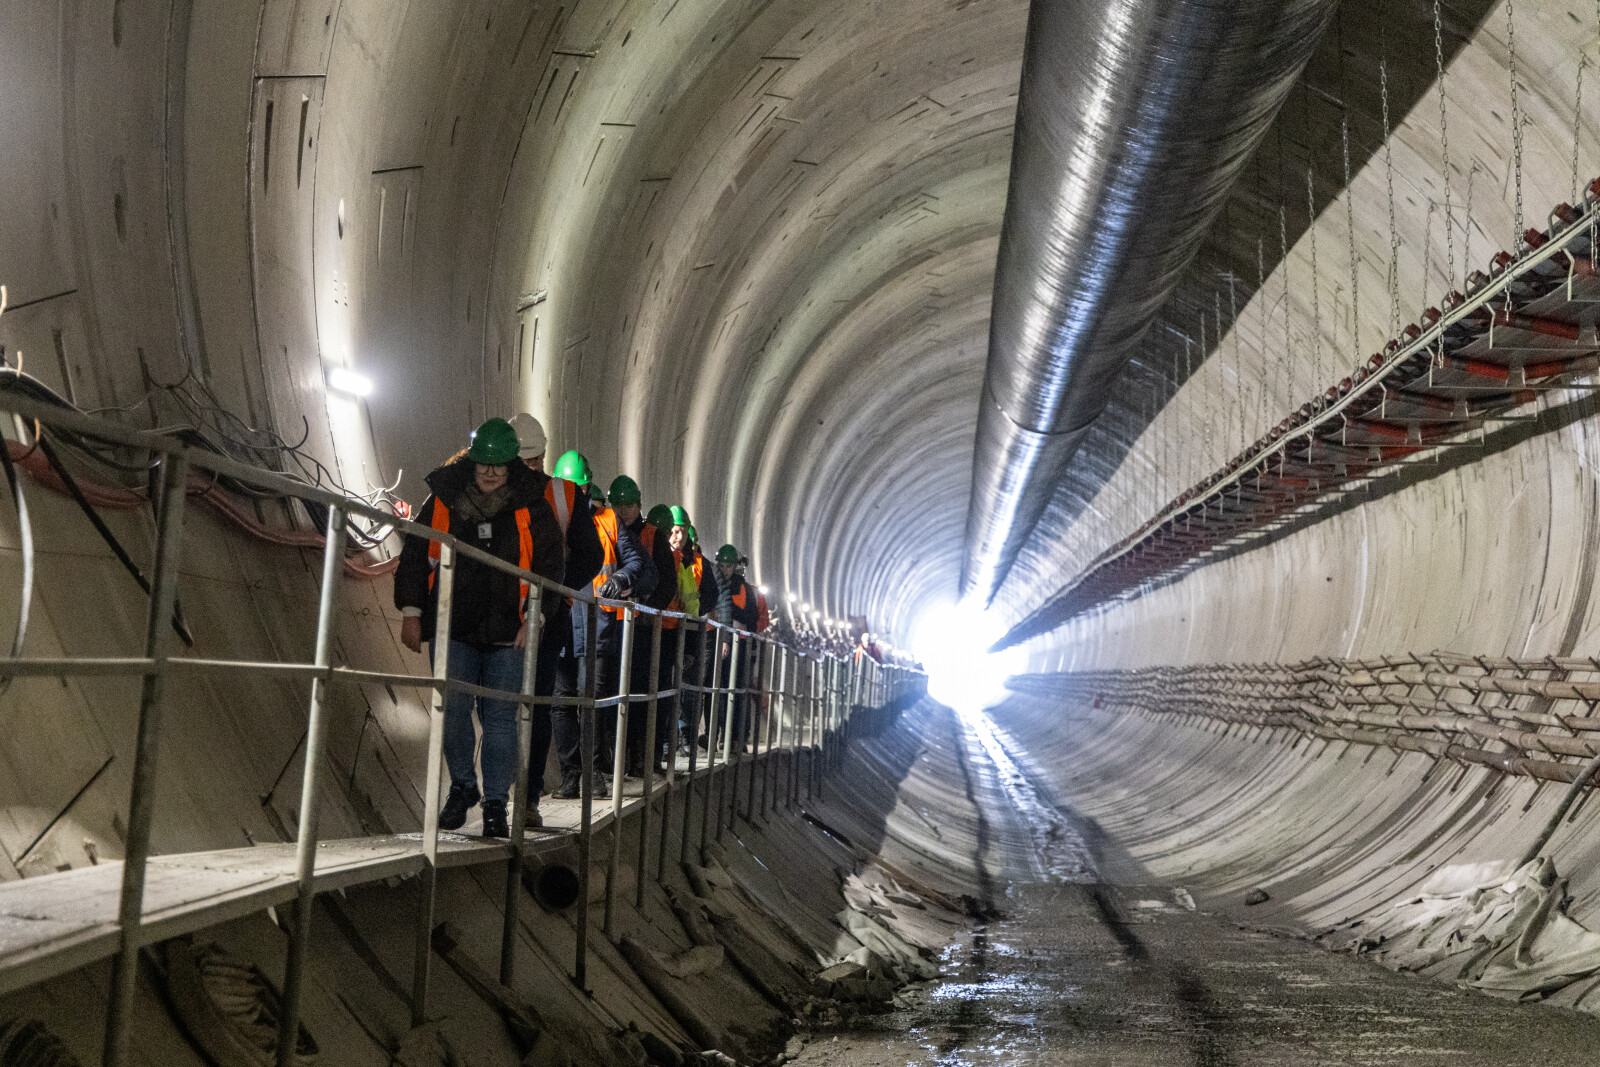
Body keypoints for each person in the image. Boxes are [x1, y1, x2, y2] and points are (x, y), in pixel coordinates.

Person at [394, 417, 593, 837]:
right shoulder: (445, 498)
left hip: (510, 628)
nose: (489, 472)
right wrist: (412, 612)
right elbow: (417, 553)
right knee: (452, 712)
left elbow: (548, 566)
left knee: (503, 717)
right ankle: (464, 786)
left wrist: (536, 617)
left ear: (513, 464)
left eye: (498, 464)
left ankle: (497, 804)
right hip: (456, 624)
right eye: (483, 463)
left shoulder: (533, 502)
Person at [547, 451, 655, 797]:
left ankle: (593, 775)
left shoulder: (608, 519)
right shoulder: (546, 512)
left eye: (580, 488)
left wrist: (621, 577)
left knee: (589, 698)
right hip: (561, 620)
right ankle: (571, 775)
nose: (576, 495)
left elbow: (636, 560)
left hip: (596, 624)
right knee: (561, 701)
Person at [714, 544, 760, 753]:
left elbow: (752, 618)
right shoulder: (713, 584)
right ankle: (724, 734)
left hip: (741, 646)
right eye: (721, 566)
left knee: (739, 692)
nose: (724, 570)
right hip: (721, 642)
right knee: (721, 691)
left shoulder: (744, 589)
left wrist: (730, 610)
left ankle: (739, 737)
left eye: (728, 566)